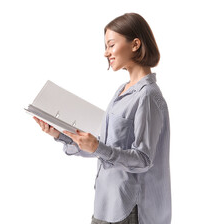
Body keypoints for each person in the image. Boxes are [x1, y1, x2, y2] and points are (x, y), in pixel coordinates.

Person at [33, 13, 171, 224]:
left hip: (130, 209)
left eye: (111, 45)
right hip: (106, 205)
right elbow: (107, 148)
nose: (106, 52)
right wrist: (61, 135)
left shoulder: (148, 96)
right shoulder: (121, 91)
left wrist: (98, 147)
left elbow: (143, 159)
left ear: (135, 44)